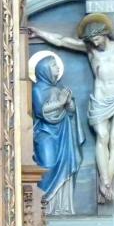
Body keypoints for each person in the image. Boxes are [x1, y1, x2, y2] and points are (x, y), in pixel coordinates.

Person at [30, 13, 114, 203]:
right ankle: (105, 180)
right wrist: (40, 33)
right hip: (100, 99)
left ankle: (106, 183)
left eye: (97, 38)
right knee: (102, 137)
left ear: (105, 33)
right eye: (91, 40)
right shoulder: (90, 50)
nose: (94, 43)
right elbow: (62, 41)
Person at [31, 53, 85, 215]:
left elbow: (71, 111)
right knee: (47, 165)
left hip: (63, 133)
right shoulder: (37, 89)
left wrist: (69, 103)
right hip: (45, 133)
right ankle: (43, 204)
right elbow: (40, 111)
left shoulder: (59, 89)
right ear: (45, 70)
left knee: (65, 163)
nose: (58, 68)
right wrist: (60, 102)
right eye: (54, 65)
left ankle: (61, 207)